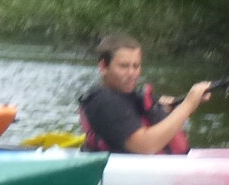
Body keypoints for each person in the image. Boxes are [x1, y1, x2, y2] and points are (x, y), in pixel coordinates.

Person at [79, 33, 208, 154]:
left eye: (136, 66)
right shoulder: (103, 101)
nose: (132, 73)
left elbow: (147, 110)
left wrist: (166, 108)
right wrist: (188, 105)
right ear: (103, 67)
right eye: (124, 66)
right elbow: (145, 145)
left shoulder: (129, 97)